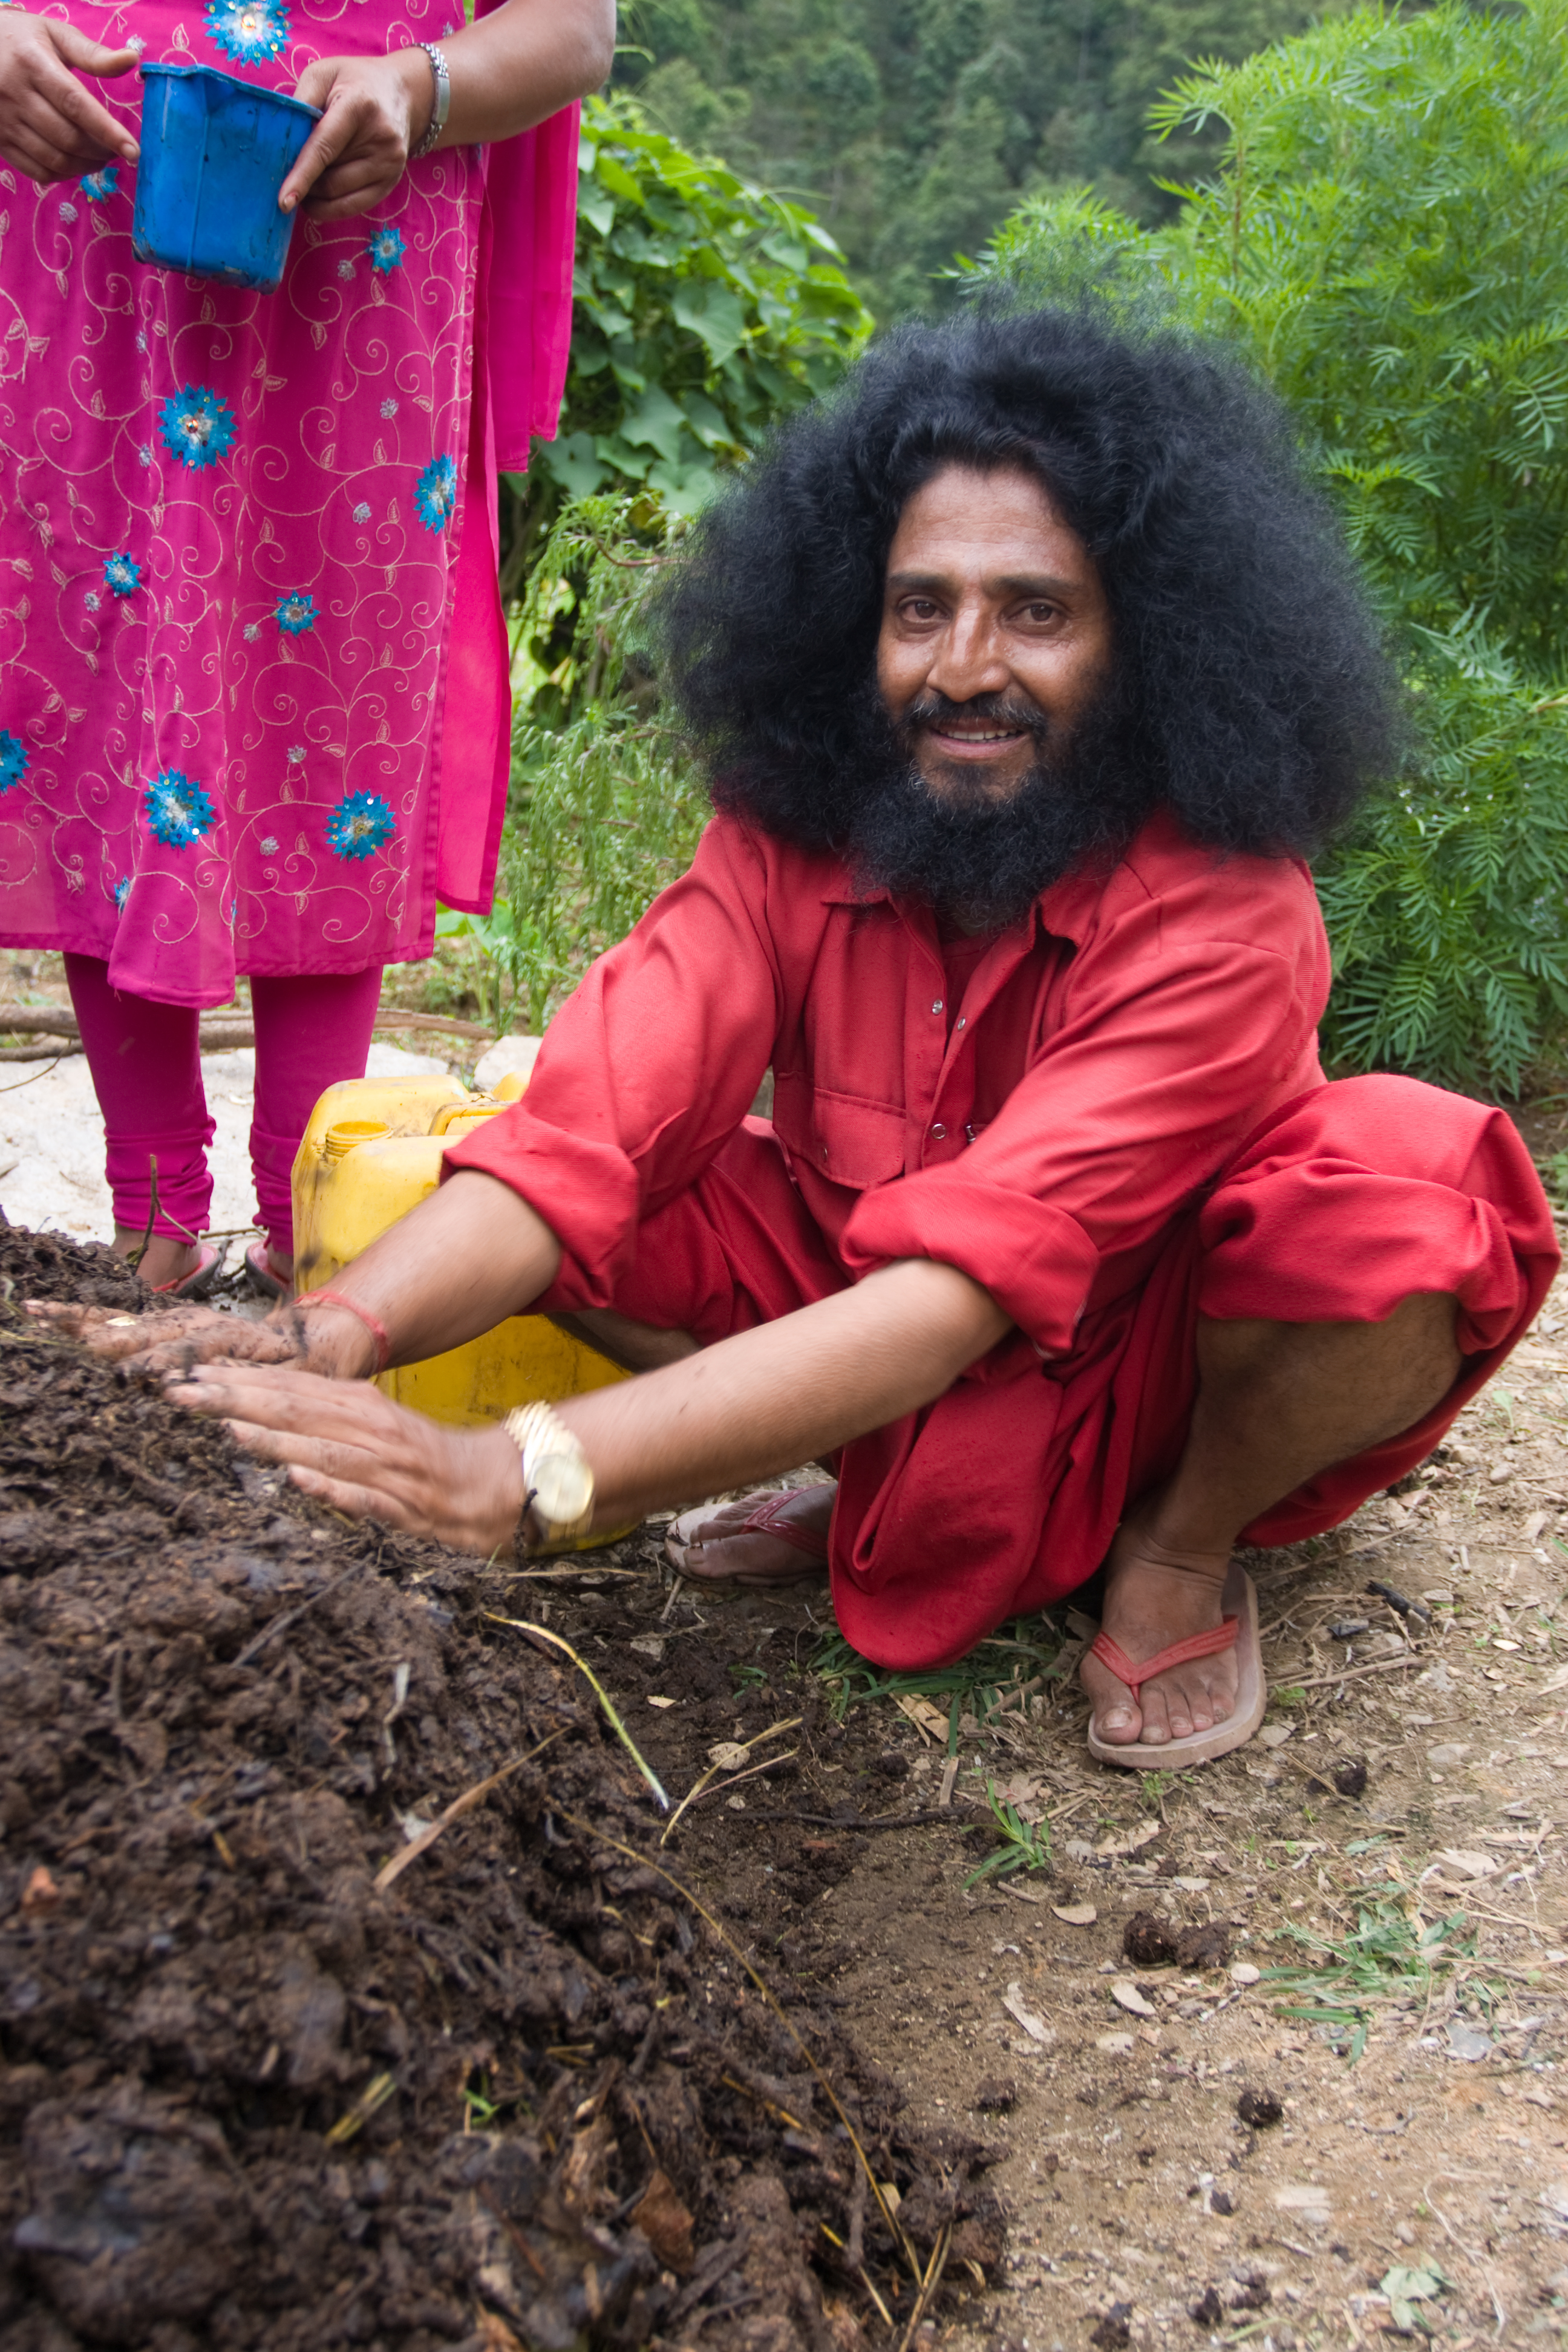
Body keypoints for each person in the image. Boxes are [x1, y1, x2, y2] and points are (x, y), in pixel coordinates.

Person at [39, 310, 1557, 1768]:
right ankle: (875, 1469)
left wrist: (523, 1477)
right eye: (920, 608)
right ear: (856, 622)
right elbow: (581, 1134)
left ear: (1147, 642)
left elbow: (962, 1290)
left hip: (1129, 1379)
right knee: (551, 1169)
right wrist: (326, 1335)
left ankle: (1173, 1549)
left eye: (1035, 611)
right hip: (867, 1317)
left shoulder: (1227, 910)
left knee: (1405, 1192)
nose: (963, 667)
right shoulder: (789, 839)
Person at [0, 0, 613, 1292]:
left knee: (334, 731)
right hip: (81, 270)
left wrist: (421, 87)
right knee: (109, 695)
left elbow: (574, 30)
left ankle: (310, 1242)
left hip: (360, 285)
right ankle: (150, 1232)